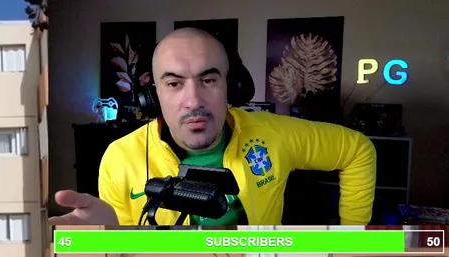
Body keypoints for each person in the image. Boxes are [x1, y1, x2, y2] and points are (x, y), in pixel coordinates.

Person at [51, 27, 377, 227]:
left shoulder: (275, 135)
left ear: (230, 87)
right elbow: (130, 256)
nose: (193, 100)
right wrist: (107, 237)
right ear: (153, 96)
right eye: (174, 84)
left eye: (208, 80)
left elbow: (358, 150)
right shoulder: (120, 158)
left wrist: (351, 242)